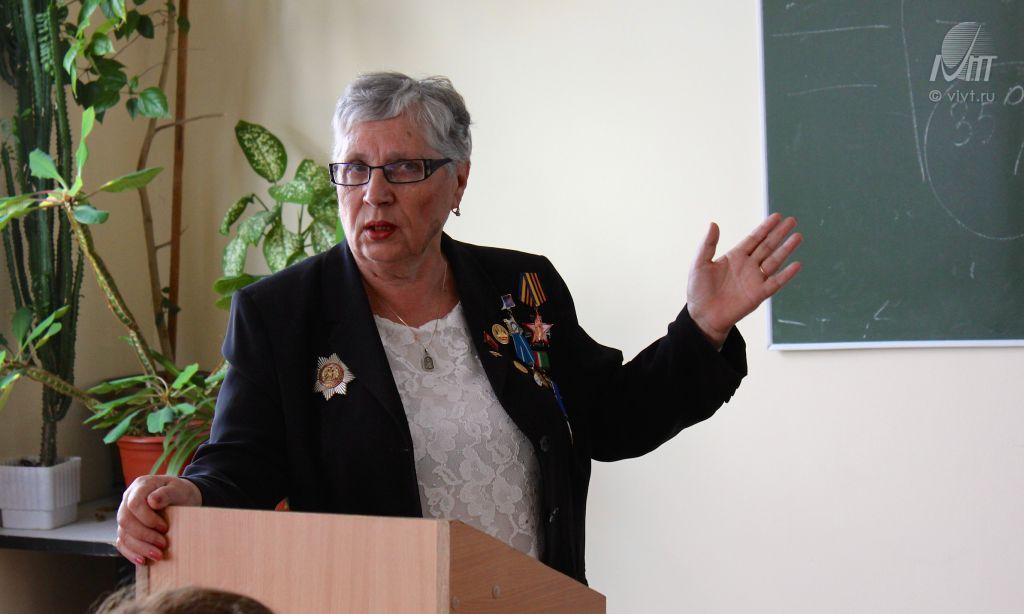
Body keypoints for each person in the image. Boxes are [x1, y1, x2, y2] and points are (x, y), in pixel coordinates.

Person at [116, 72, 801, 583]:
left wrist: (701, 328)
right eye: (354, 169)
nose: (374, 193)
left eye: (404, 168)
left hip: (531, 601)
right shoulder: (282, 315)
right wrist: (190, 492)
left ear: (458, 182)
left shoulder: (522, 288)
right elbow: (244, 460)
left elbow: (610, 417)